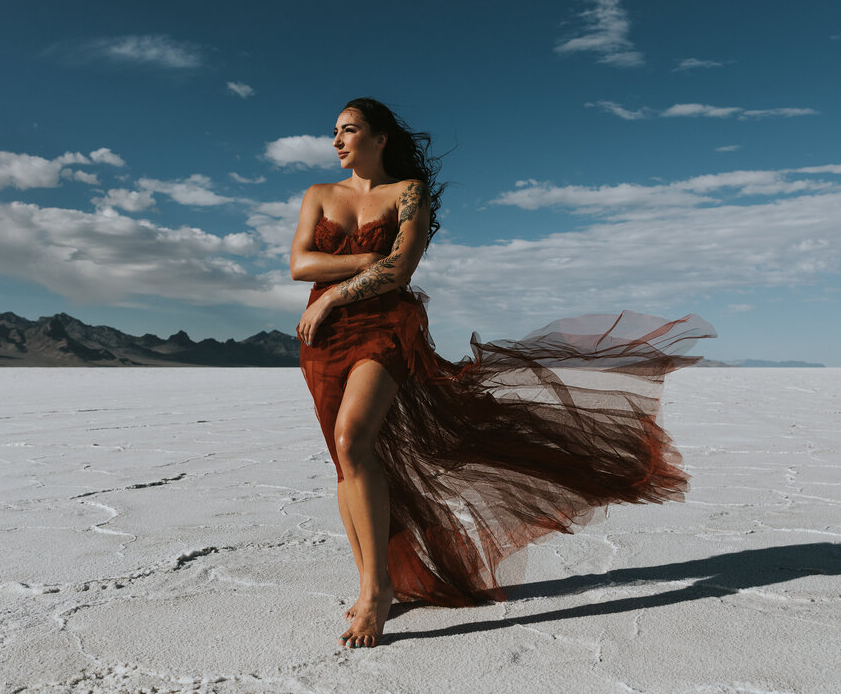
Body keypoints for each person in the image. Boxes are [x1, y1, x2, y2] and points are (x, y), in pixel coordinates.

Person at [291, 98, 714, 649]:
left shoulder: (407, 192)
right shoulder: (319, 196)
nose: (337, 141)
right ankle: (377, 578)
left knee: (353, 438)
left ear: (380, 138)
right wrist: (362, 264)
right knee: (346, 461)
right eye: (334, 133)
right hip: (322, 341)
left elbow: (401, 269)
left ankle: (375, 594)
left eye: (349, 130)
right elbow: (300, 263)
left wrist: (336, 294)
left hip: (385, 330)